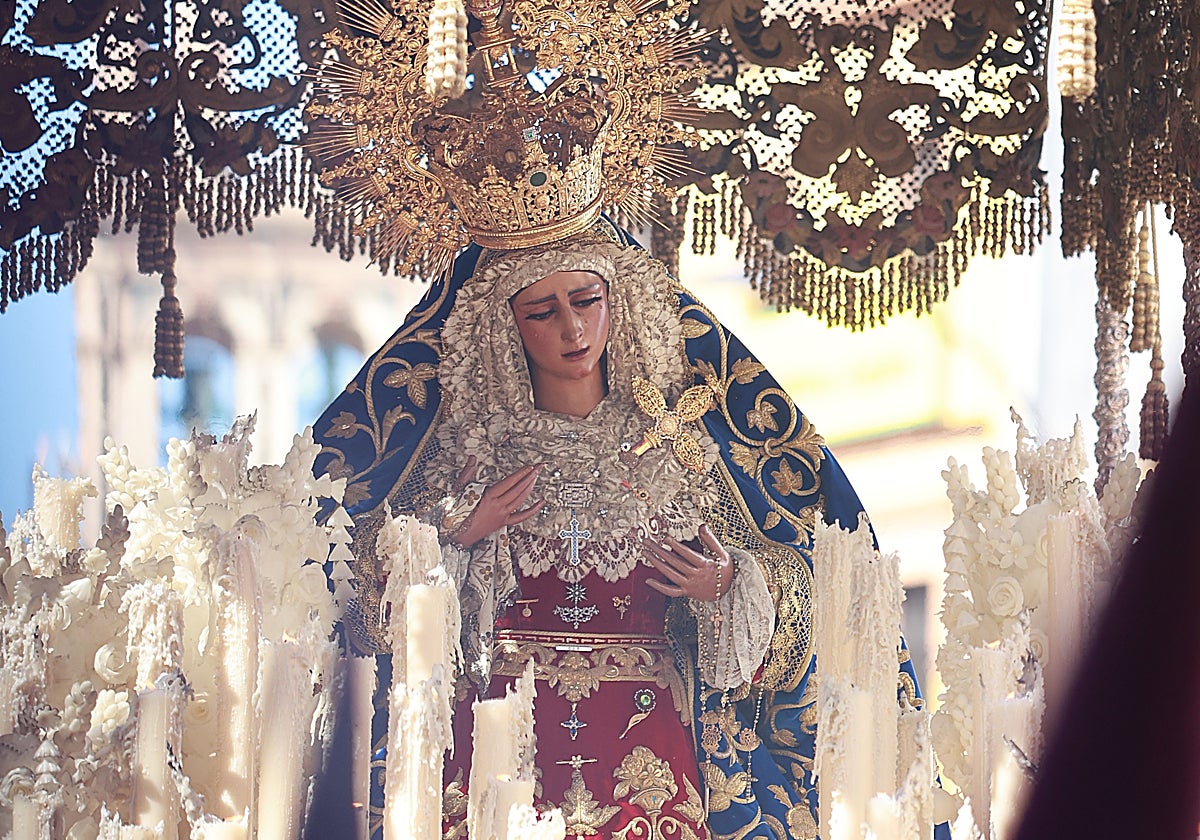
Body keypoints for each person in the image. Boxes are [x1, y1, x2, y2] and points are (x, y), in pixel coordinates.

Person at [312, 218, 927, 839]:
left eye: (586, 301)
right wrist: (455, 538)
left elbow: (803, 584)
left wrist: (730, 584)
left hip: (648, 762)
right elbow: (366, 606)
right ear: (505, 330)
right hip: (495, 747)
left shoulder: (674, 449)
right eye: (542, 312)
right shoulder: (469, 454)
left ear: (619, 301)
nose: (572, 329)